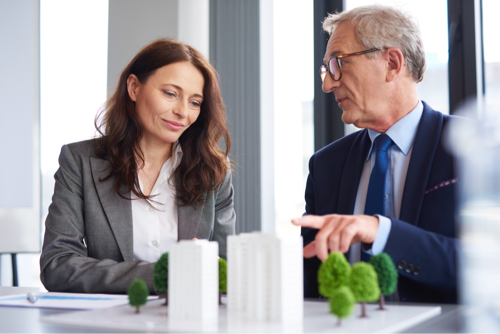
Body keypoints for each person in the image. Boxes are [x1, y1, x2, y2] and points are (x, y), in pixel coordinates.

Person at [40, 39, 236, 294]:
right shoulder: (79, 162)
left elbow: (226, 270)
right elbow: (58, 266)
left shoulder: (213, 174)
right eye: (170, 94)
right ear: (133, 88)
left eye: (195, 102)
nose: (182, 112)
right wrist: (166, 273)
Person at [292, 5, 458, 303]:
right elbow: (311, 278)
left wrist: (381, 231)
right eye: (326, 69)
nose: (328, 84)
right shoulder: (325, 165)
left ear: (392, 63)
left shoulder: (471, 150)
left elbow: (485, 266)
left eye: (337, 63)